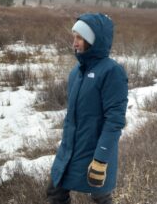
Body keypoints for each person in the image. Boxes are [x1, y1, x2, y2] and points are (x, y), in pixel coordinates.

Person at [46, 13, 128, 204]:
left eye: (80, 38)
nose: (74, 43)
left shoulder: (111, 71)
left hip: (94, 150)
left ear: (94, 41)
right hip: (70, 148)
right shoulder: (76, 72)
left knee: (100, 196)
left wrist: (100, 160)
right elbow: (72, 116)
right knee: (55, 192)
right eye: (74, 37)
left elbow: (114, 120)